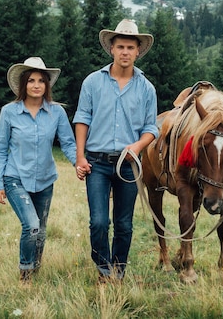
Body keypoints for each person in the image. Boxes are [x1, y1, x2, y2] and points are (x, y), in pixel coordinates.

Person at [73, 19, 159, 283]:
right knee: (98, 222)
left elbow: (151, 128)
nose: (125, 52)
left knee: (124, 224)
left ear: (137, 51)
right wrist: (79, 157)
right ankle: (103, 269)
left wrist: (138, 146)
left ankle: (118, 271)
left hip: (128, 166)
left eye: (130, 47)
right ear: (111, 49)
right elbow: (82, 118)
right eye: (120, 46)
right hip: (97, 162)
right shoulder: (92, 82)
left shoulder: (146, 88)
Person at [0, 57, 76, 285]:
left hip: (45, 180)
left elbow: (67, 143)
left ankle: (36, 268)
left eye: (41, 80)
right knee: (31, 226)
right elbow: (0, 149)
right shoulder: (9, 112)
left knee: (41, 230)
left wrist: (78, 163)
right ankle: (25, 273)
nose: (36, 85)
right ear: (23, 85)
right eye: (31, 80)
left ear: (47, 85)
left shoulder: (56, 113)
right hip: (15, 177)